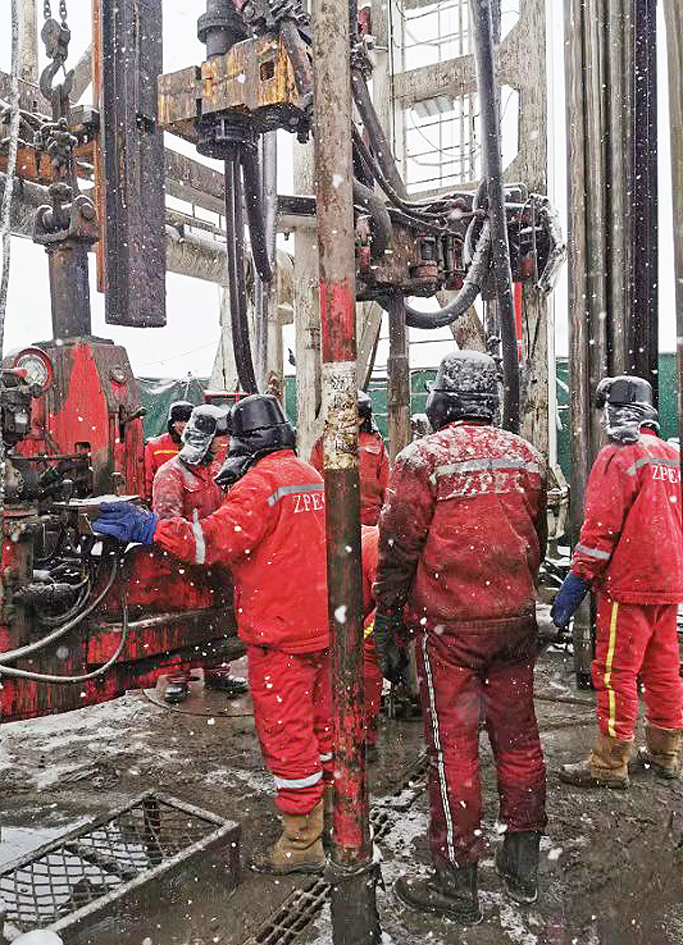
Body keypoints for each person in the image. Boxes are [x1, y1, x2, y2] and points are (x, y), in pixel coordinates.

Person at [93, 395, 332, 875]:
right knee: (323, 727)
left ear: (245, 442)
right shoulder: (310, 475)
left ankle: (303, 840)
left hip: (279, 634)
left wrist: (151, 527)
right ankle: (335, 815)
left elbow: (211, 541)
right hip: (321, 625)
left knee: (288, 737)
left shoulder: (261, 484)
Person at [373, 350, 548, 923]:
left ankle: (456, 879)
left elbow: (398, 547)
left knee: (453, 749)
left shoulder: (422, 459)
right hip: (514, 624)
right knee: (519, 741)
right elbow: (536, 539)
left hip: (450, 631)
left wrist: (389, 617)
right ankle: (522, 867)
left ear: (442, 401)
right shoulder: (525, 456)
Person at [552, 375, 683, 788]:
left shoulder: (618, 455)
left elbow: (600, 530)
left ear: (615, 410)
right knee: (663, 669)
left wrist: (577, 580)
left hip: (628, 584)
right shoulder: (671, 456)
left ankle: (610, 763)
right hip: (668, 582)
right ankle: (665, 752)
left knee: (615, 672)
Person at [152, 404, 247, 703]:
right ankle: (177, 676)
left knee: (216, 618)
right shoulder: (170, 474)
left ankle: (217, 671)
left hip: (216, 563)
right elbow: (168, 525)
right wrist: (197, 545)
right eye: (219, 437)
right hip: (183, 567)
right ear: (203, 438)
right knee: (182, 621)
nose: (223, 443)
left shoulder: (218, 471)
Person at [310, 390, 390, 525]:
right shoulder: (324, 443)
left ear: (362, 419)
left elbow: (385, 482)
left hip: (361, 516)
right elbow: (315, 479)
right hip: (338, 515)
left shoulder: (374, 443)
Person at [143, 400, 194, 501]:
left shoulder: (201, 446)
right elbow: (147, 477)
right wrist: (148, 499)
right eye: (179, 421)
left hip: (194, 502)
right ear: (172, 423)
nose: (183, 425)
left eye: (187, 421)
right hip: (165, 501)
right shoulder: (156, 446)